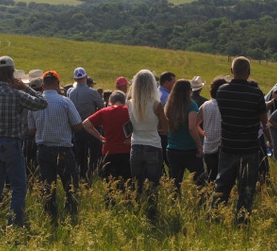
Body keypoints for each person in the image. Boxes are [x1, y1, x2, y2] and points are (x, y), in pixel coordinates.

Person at [0, 55, 48, 229]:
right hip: (12, 143)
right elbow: (42, 103)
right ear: (12, 73)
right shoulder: (17, 95)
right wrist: (26, 88)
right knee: (18, 188)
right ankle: (14, 225)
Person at [209, 56, 271, 225]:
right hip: (249, 147)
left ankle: (214, 217)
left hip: (228, 145)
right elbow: (264, 120)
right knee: (246, 188)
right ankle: (242, 220)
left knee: (222, 184)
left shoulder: (222, 91)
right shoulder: (256, 94)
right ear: (248, 72)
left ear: (231, 71)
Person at [29, 70, 82, 223]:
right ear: (57, 84)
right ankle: (72, 215)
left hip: (43, 149)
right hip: (63, 149)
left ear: (43, 85)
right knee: (70, 186)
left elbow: (31, 131)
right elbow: (78, 126)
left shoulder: (35, 103)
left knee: (47, 187)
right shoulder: (65, 102)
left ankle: (50, 218)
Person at [127, 69, 168, 221]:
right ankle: (152, 215)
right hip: (153, 145)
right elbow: (165, 128)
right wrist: (157, 127)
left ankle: (137, 213)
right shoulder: (157, 104)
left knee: (137, 184)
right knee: (152, 185)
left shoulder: (130, 103)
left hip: (136, 145)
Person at [83, 90, 131, 200]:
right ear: (124, 101)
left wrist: (100, 137)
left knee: (110, 183)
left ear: (110, 101)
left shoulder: (104, 112)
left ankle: (110, 204)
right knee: (127, 182)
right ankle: (127, 203)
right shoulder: (128, 111)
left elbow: (86, 124)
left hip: (109, 151)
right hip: (126, 150)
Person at [165, 79, 205, 193]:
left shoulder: (169, 106)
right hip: (189, 149)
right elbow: (192, 127)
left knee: (175, 182)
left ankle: (174, 204)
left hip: (172, 148)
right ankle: (201, 203)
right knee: (200, 181)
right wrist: (199, 145)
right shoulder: (191, 105)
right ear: (189, 91)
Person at [67, 66, 104, 182]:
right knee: (93, 155)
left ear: (74, 79)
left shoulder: (71, 94)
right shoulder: (92, 92)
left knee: (80, 156)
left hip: (77, 128)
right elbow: (102, 108)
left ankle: (81, 177)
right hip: (91, 127)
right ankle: (91, 177)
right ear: (86, 77)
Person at [199, 76, 229, 182]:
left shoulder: (205, 105)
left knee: (211, 176)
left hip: (208, 146)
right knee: (223, 178)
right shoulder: (226, 106)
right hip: (223, 146)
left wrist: (203, 133)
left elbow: (194, 124)